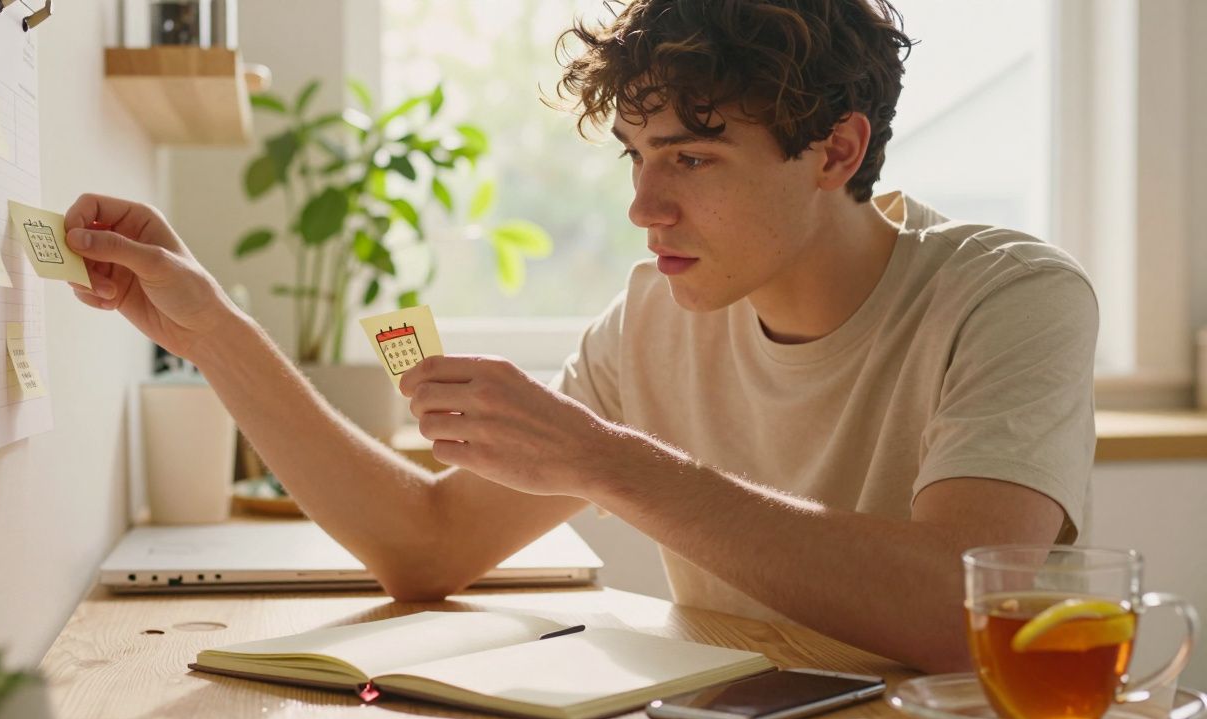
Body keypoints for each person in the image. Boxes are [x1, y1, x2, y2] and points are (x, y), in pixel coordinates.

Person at [63, 0, 1097, 674]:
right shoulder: (652, 318)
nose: (644, 207)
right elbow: (425, 546)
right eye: (636, 156)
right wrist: (218, 334)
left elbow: (958, 611)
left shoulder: (1008, 296)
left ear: (834, 150)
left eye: (690, 159)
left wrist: (603, 460)